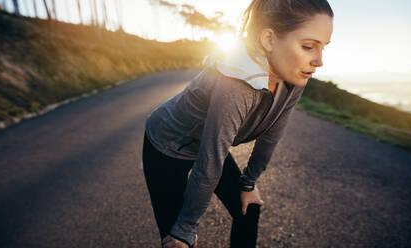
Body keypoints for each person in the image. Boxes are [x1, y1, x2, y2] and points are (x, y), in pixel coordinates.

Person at [142, 0, 334, 247]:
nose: (319, 61)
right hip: (165, 145)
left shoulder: (294, 79)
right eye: (308, 46)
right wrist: (186, 227)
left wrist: (248, 184)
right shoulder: (236, 84)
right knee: (177, 241)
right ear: (269, 40)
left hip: (205, 145)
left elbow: (271, 137)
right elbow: (210, 161)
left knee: (248, 206)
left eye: (323, 48)